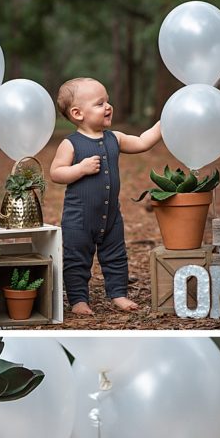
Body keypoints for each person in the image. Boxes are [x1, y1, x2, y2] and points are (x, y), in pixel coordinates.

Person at [50, 77, 162, 316]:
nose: (108, 106)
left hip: (111, 216)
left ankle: (118, 293)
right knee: (77, 259)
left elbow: (142, 142)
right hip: (79, 218)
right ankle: (79, 300)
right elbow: (56, 172)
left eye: (107, 101)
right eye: (100, 103)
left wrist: (163, 124)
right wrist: (80, 169)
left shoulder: (115, 138)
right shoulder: (71, 144)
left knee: (116, 255)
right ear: (78, 113)